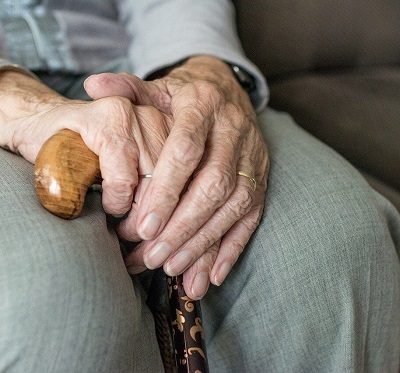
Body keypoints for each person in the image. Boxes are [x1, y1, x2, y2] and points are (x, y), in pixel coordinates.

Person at [0, 1, 399, 372]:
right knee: (50, 303)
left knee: (337, 245)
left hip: (136, 69)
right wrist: (21, 103)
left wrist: (203, 67)